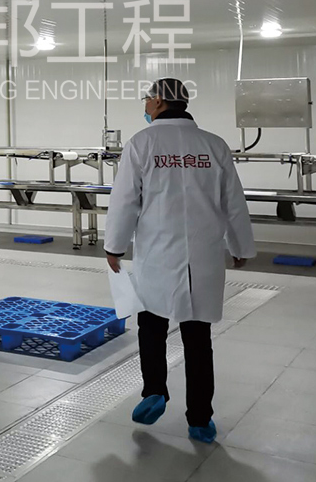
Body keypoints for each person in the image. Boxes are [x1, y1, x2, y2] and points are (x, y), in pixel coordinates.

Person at [104, 78, 256, 443]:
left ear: (158, 102)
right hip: (204, 255)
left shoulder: (142, 143)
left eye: (146, 100)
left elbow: (125, 200)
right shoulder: (213, 145)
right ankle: (200, 419)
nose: (145, 105)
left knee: (151, 326)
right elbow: (233, 202)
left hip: (158, 253)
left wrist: (114, 246)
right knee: (198, 338)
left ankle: (155, 390)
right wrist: (241, 247)